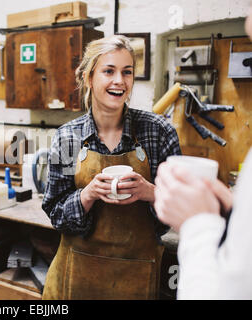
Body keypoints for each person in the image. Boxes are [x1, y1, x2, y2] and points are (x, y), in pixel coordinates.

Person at [41, 35, 181, 300]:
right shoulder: (67, 137)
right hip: (76, 278)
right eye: (109, 71)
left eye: (127, 72)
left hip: (137, 277)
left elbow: (181, 210)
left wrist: (150, 192)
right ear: (87, 77)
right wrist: (87, 195)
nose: (119, 81)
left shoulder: (159, 131)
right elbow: (56, 215)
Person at [153, 8, 252, 300]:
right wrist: (231, 210)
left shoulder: (158, 128)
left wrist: (197, 223)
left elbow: (228, 291)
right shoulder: (69, 134)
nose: (248, 20)